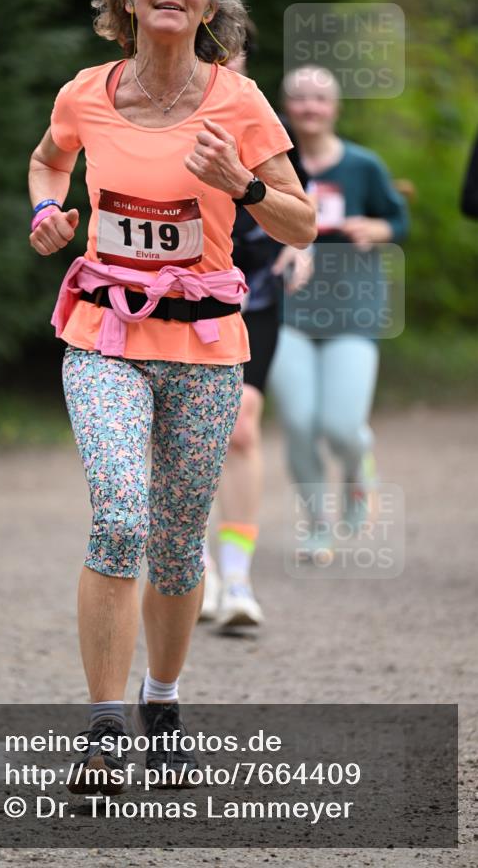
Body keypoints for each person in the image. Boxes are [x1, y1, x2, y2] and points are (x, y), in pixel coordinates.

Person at [28, 0, 315, 793]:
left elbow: (300, 220)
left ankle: (162, 704)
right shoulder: (85, 91)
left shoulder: (240, 101)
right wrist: (46, 214)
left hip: (203, 345)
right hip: (103, 336)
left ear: (208, 4)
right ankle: (104, 728)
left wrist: (243, 184)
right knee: (120, 516)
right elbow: (47, 161)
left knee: (178, 546)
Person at [268, 65, 409, 560]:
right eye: (300, 97)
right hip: (288, 312)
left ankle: (357, 467)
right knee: (301, 423)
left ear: (336, 107)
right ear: (285, 106)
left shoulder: (363, 166)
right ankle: (316, 526)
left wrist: (377, 228)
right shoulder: (269, 163)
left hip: (352, 311)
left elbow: (398, 219)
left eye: (320, 98)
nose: (310, 107)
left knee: (342, 426)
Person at [201, 49, 314, 627]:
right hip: (182, 298)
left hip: (255, 297)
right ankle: (194, 567)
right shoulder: (156, 114)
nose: (222, 63)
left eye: (230, 53)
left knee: (242, 424)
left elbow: (301, 205)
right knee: (168, 429)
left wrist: (300, 247)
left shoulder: (266, 121)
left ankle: (238, 578)